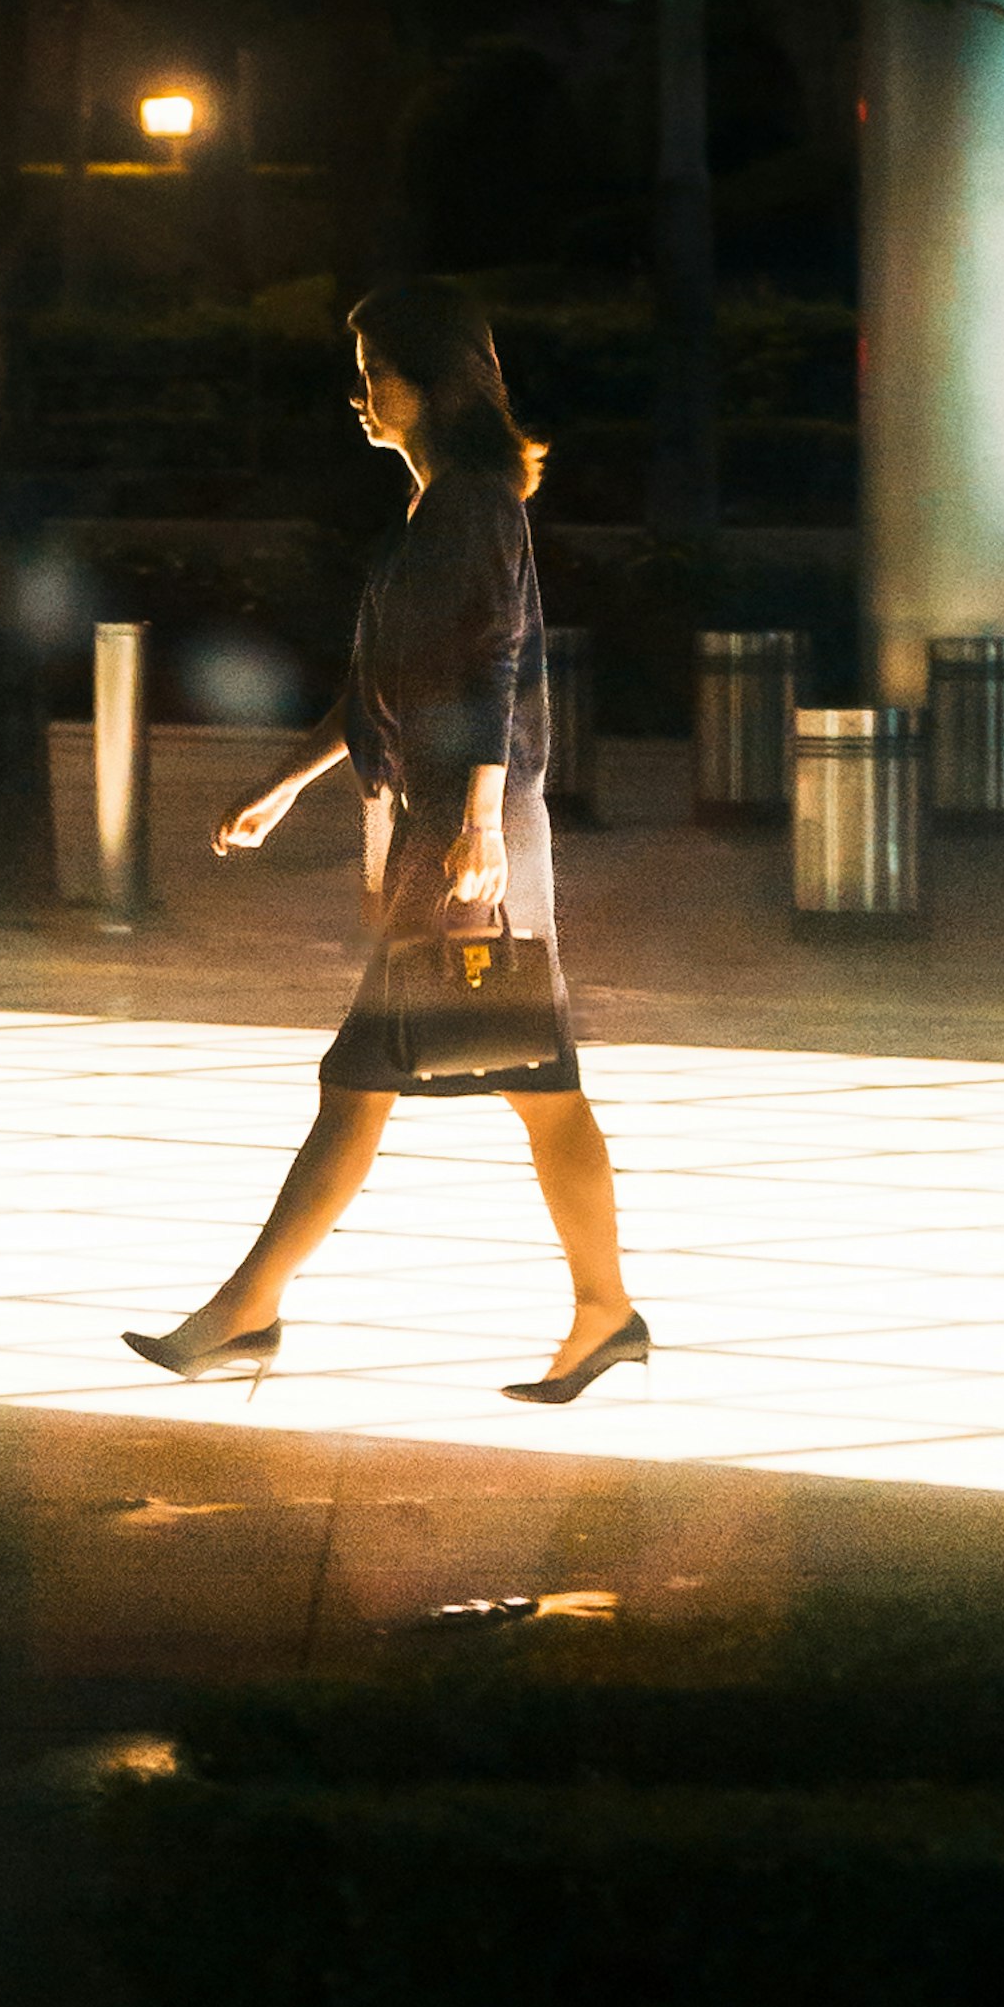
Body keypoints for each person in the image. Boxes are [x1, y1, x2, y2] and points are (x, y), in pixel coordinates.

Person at [122, 276, 647, 1406]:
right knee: (527, 1084)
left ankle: (249, 1307)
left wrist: (476, 830)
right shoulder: (433, 507)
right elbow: (380, 690)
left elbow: (498, 666)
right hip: (439, 830)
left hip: (470, 838)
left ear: (440, 378)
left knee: (378, 1076)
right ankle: (603, 1310)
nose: (359, 392)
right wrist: (284, 783)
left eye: (378, 371)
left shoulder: (474, 502)